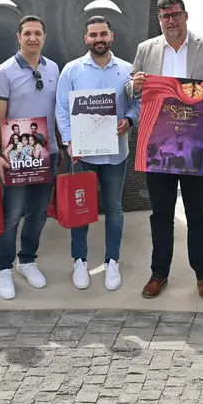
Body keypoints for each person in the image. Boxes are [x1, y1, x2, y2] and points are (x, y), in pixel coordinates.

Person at [126, 0, 203, 301]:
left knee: (197, 214)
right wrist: (135, 84)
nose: (170, 21)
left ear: (185, 15)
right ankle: (159, 273)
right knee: (161, 214)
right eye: (164, 17)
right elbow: (131, 88)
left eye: (175, 14)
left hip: (195, 146)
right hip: (158, 147)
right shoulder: (146, 49)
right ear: (159, 20)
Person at [55, 15, 141, 291]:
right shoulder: (72, 70)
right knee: (81, 209)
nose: (98, 39)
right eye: (93, 35)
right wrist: (69, 141)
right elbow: (61, 110)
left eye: (103, 34)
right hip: (84, 155)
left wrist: (128, 120)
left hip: (116, 154)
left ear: (111, 36)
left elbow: (136, 105)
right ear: (86, 39)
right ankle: (79, 260)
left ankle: (111, 261)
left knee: (114, 208)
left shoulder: (127, 70)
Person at [0, 15, 62, 300]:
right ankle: (2, 267)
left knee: (38, 213)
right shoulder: (5, 71)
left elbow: (61, 111)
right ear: (18, 36)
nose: (33, 38)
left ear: (45, 37)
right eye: (27, 33)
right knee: (10, 216)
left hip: (48, 152)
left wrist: (63, 145)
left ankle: (27, 260)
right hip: (15, 156)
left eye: (38, 33)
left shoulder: (54, 68)